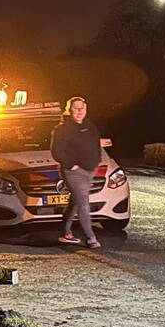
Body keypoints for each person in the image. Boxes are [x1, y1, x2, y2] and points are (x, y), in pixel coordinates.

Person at [50, 96, 102, 248]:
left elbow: (95, 144)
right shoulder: (62, 129)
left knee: (75, 203)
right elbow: (57, 152)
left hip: (90, 170)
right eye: (76, 108)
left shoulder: (90, 126)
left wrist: (96, 163)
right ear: (69, 110)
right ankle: (91, 238)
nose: (79, 111)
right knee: (83, 203)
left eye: (82, 108)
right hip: (74, 172)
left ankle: (64, 232)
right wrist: (72, 166)